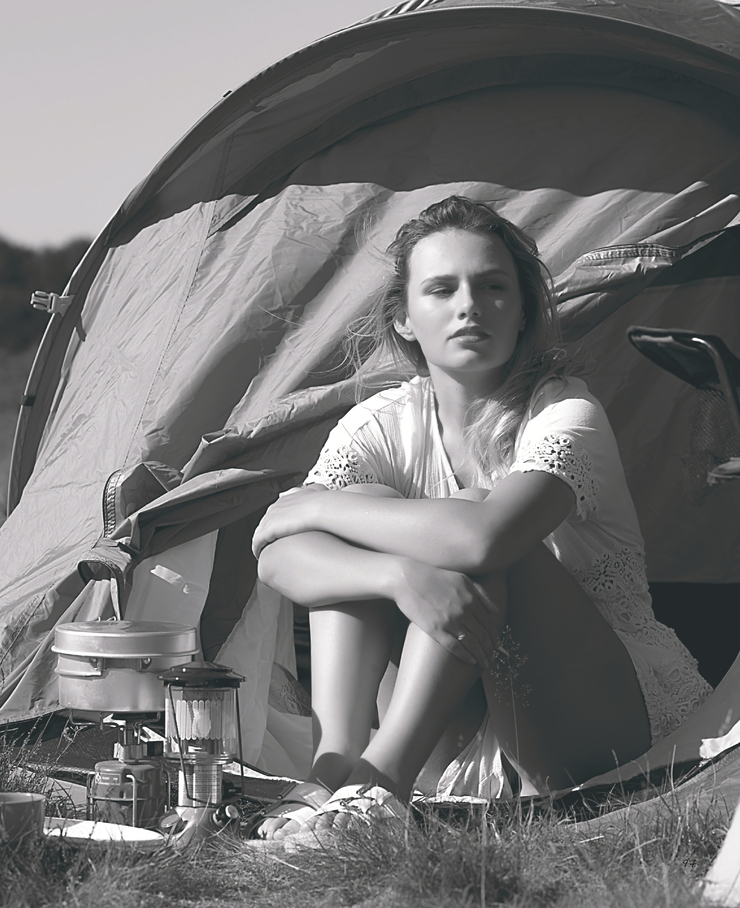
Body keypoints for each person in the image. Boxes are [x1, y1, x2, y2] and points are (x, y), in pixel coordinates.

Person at [250, 196, 712, 840]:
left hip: (595, 716)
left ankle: (379, 789)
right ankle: (334, 773)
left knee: (460, 518)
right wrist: (397, 577)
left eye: (493, 286)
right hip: (454, 716)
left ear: (523, 311)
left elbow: (484, 538)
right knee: (366, 524)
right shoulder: (379, 424)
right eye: (442, 289)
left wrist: (322, 505)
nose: (469, 305)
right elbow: (276, 556)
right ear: (404, 318)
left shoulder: (566, 413)